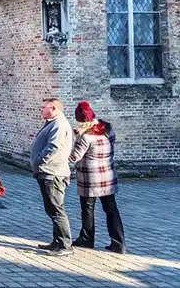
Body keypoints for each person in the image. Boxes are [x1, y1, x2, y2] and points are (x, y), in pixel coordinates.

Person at [70, 100, 126, 253]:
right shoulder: (108, 131)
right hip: (107, 176)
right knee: (111, 208)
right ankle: (118, 242)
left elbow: (75, 156)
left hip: (90, 178)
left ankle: (87, 238)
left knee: (88, 208)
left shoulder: (85, 137)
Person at [30, 97, 74, 256]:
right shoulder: (52, 123)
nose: (41, 110)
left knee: (56, 209)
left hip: (53, 173)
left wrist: (39, 160)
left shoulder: (59, 125)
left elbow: (53, 147)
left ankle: (65, 245)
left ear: (54, 108)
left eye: (44, 107)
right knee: (51, 208)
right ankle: (57, 241)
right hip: (47, 172)